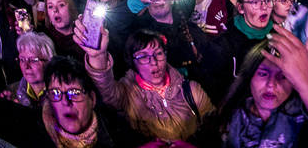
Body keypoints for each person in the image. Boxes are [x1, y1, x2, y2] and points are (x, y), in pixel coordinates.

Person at [199, 28, 308, 148]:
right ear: (249, 76)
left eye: (283, 76)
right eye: (263, 74)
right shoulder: (220, 119)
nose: (271, 84)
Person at [77, 27, 213, 141]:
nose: (153, 61)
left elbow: (214, 127)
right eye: (143, 56)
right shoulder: (126, 95)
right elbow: (106, 90)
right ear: (132, 62)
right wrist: (97, 56)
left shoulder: (191, 90)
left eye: (158, 53)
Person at [198, 0, 276, 104]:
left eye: (267, 0)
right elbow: (215, 97)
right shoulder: (220, 47)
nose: (264, 7)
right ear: (240, 7)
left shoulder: (279, 39)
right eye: (255, 2)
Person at [7, 31, 56, 107]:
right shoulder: (11, 92)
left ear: (49, 62)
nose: (26, 66)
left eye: (33, 60)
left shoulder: (61, 94)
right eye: (22, 60)